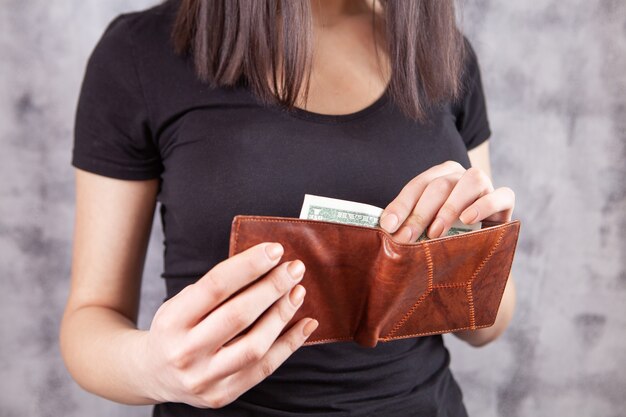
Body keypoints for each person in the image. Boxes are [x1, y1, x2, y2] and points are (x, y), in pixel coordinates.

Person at [60, 0, 517, 416]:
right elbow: (90, 319)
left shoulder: (440, 51)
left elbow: (486, 327)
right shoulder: (141, 52)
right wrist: (153, 369)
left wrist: (477, 250)